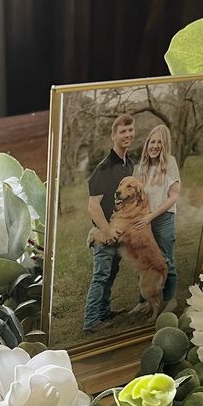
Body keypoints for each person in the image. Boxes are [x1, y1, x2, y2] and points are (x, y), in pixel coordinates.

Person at [83, 114, 135, 333]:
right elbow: (93, 206)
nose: (128, 135)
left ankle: (105, 312)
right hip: (104, 232)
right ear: (113, 135)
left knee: (112, 273)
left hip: (119, 230)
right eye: (123, 131)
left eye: (131, 130)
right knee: (101, 276)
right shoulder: (104, 168)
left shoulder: (128, 164)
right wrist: (107, 230)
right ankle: (90, 321)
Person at [134, 124, 180, 307]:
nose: (154, 146)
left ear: (164, 145)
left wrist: (152, 216)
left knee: (166, 259)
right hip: (144, 220)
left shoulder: (170, 163)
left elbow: (174, 196)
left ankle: (170, 299)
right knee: (144, 260)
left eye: (159, 142)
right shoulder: (143, 167)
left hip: (163, 219)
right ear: (146, 144)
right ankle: (143, 301)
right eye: (151, 142)